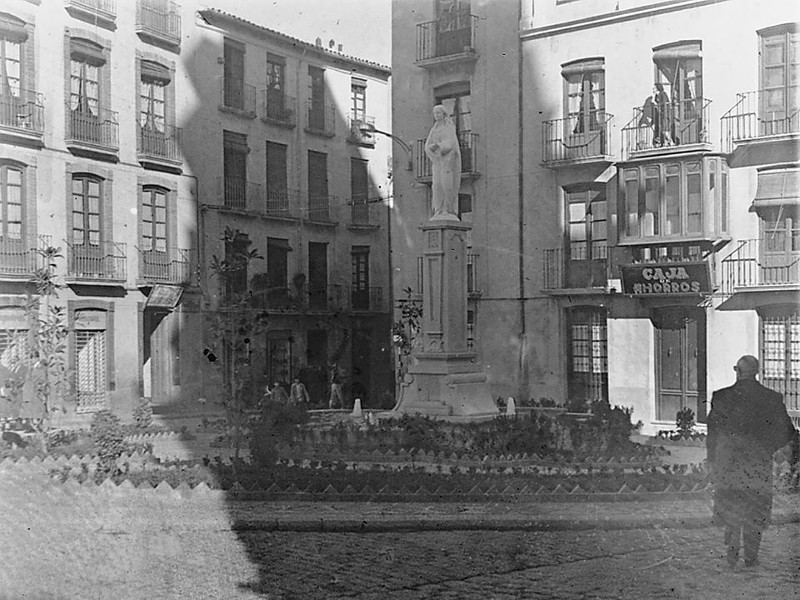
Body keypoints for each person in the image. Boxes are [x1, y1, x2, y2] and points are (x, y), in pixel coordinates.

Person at [706, 355, 799, 570]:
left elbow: (713, 432)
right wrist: (769, 447)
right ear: (756, 372)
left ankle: (731, 555)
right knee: (755, 510)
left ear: (737, 370)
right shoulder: (771, 398)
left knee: (732, 506)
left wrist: (712, 458)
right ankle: (751, 557)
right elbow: (786, 431)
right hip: (758, 462)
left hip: (729, 463)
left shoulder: (721, 397)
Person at [424, 104, 461, 220]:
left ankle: (447, 208)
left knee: (446, 185)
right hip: (437, 161)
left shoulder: (449, 127)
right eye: (435, 113)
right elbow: (427, 145)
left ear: (444, 114)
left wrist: (439, 146)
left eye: (438, 113)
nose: (436, 115)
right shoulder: (434, 129)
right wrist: (431, 148)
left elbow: (450, 142)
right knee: (436, 185)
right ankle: (438, 209)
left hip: (447, 162)